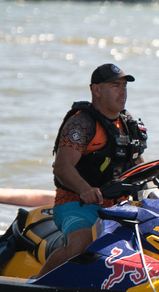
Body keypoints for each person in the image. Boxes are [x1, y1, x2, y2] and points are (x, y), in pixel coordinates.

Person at [36, 64, 147, 277]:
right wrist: (85, 189)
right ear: (96, 90)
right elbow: (62, 166)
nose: (123, 91)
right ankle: (37, 282)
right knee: (81, 243)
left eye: (124, 86)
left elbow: (138, 163)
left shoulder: (127, 122)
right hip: (76, 202)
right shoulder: (81, 123)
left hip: (119, 206)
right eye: (115, 86)